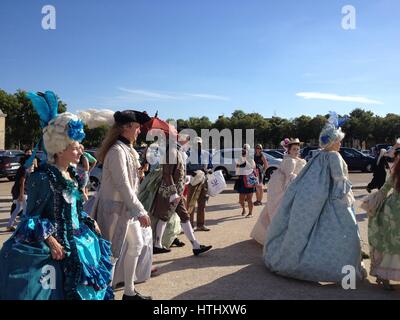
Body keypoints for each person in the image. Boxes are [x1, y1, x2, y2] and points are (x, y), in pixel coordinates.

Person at [0, 91, 113, 300]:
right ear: (60, 149)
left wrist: (88, 220)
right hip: (58, 245)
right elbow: (30, 217)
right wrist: (50, 239)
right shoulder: (42, 177)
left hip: (81, 241)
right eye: (75, 146)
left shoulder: (71, 175)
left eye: (80, 145)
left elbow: (75, 210)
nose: (80, 151)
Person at [263, 114, 364, 283]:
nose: (340, 144)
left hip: (311, 198)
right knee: (343, 233)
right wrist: (345, 201)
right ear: (332, 142)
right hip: (332, 200)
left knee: (305, 230)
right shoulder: (334, 157)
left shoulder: (317, 155)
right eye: (338, 141)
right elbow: (339, 181)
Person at [93, 110, 153, 300]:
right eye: (136, 128)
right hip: (113, 209)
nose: (139, 132)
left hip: (126, 208)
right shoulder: (117, 150)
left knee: (137, 244)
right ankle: (105, 295)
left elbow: (130, 182)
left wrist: (140, 173)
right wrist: (140, 210)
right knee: (111, 254)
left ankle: (129, 292)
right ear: (125, 128)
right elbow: (122, 184)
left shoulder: (128, 150)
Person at [151, 131, 212, 256]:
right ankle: (157, 244)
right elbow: (166, 174)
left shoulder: (178, 151)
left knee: (183, 217)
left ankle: (195, 245)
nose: (189, 141)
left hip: (175, 192)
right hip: (169, 193)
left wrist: (185, 178)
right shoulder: (173, 152)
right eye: (187, 138)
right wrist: (173, 193)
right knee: (164, 217)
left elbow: (176, 173)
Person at [250, 138, 306, 245]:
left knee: (272, 210)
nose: (296, 151)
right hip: (286, 189)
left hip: (286, 187)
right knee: (280, 213)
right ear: (288, 150)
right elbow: (290, 177)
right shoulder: (290, 160)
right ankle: (277, 238)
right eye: (294, 149)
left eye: (298, 149)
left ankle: (264, 234)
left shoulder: (293, 159)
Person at [366, 146, 400, 290]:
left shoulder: (395, 172)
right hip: (394, 211)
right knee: (393, 243)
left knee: (389, 242)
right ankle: (385, 276)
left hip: (391, 209)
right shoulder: (396, 172)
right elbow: (385, 188)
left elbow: (385, 189)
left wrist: (373, 203)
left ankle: (384, 275)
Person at [186, 137, 213, 231]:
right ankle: (190, 225)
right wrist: (191, 172)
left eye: (200, 143)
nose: (198, 145)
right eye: (196, 143)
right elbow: (184, 168)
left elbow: (210, 166)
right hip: (193, 181)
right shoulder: (188, 153)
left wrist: (209, 171)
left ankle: (200, 225)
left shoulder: (206, 154)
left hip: (204, 181)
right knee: (191, 204)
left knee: (202, 204)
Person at [6, 155, 33, 232]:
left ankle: (9, 225)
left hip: (19, 191)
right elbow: (22, 182)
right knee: (27, 210)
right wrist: (21, 194)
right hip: (22, 192)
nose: (32, 162)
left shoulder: (23, 169)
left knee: (18, 208)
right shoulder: (24, 170)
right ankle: (27, 227)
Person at [234, 144, 257, 218]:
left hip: (249, 180)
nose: (244, 150)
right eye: (244, 149)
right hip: (241, 181)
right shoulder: (239, 159)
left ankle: (250, 213)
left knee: (249, 199)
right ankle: (243, 209)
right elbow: (237, 169)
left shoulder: (251, 159)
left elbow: (253, 168)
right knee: (241, 200)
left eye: (246, 149)